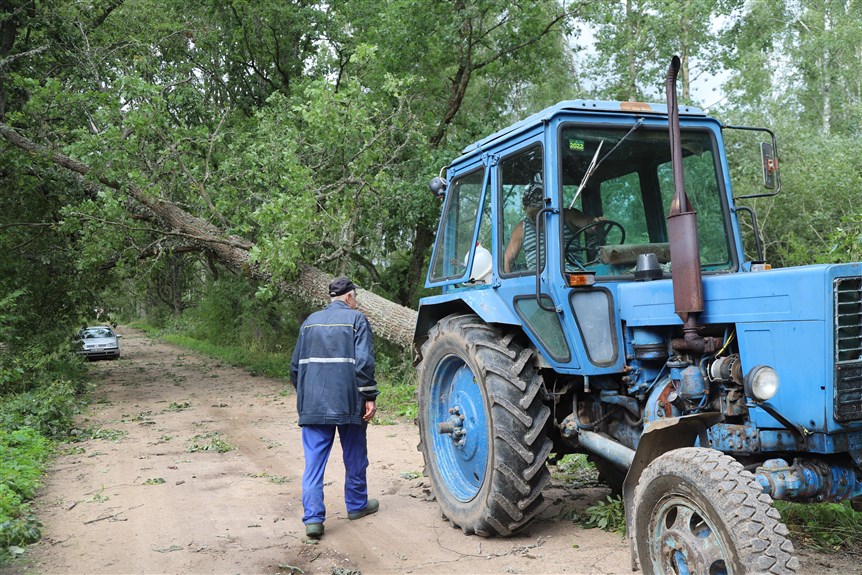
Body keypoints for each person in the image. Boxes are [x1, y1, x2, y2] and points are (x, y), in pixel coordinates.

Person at [290, 277, 380, 539]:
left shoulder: (309, 322)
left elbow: (295, 367)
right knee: (354, 456)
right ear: (350, 297)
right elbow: (363, 364)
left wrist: (308, 395)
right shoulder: (357, 320)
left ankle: (314, 520)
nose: (357, 302)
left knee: (314, 463)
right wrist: (369, 396)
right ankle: (356, 506)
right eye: (357, 298)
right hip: (349, 403)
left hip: (313, 405)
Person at [503, 180, 602, 273]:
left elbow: (588, 224)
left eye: (537, 213)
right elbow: (508, 260)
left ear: (547, 208)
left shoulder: (567, 216)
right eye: (530, 215)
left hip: (574, 278)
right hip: (538, 282)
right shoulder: (522, 227)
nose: (533, 218)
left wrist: (595, 224)